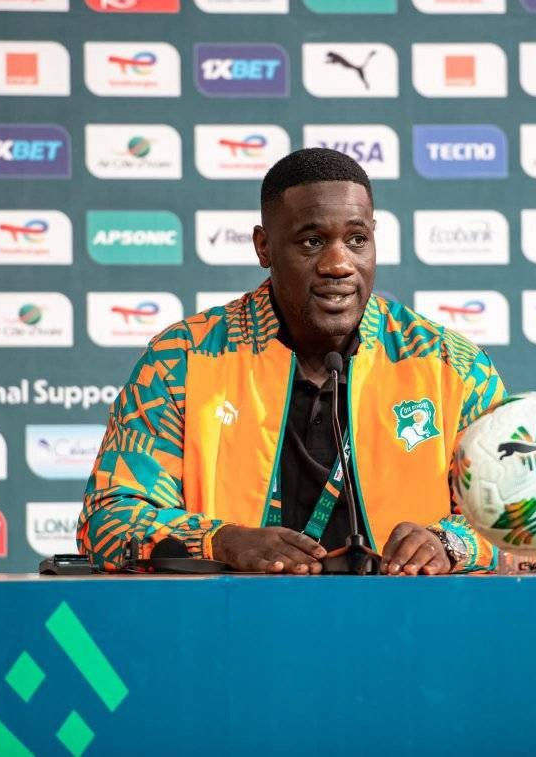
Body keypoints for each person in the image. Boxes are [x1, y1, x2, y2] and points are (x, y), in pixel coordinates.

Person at [77, 148, 507, 575]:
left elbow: (518, 517)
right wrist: (222, 541)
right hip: (231, 613)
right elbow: (109, 520)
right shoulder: (183, 360)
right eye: (312, 242)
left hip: (406, 615)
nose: (338, 264)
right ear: (264, 247)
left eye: (357, 239)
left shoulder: (452, 365)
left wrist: (448, 544)